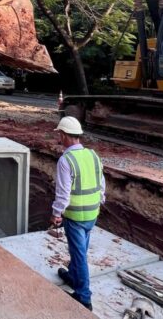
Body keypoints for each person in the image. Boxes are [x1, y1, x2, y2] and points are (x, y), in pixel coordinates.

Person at [50, 116, 105, 311]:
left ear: (65, 135)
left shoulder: (66, 160)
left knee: (79, 255)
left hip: (75, 217)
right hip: (92, 214)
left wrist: (57, 213)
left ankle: (84, 296)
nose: (59, 138)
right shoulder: (92, 155)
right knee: (80, 249)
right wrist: (100, 201)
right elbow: (101, 183)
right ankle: (73, 276)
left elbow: (63, 193)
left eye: (60, 135)